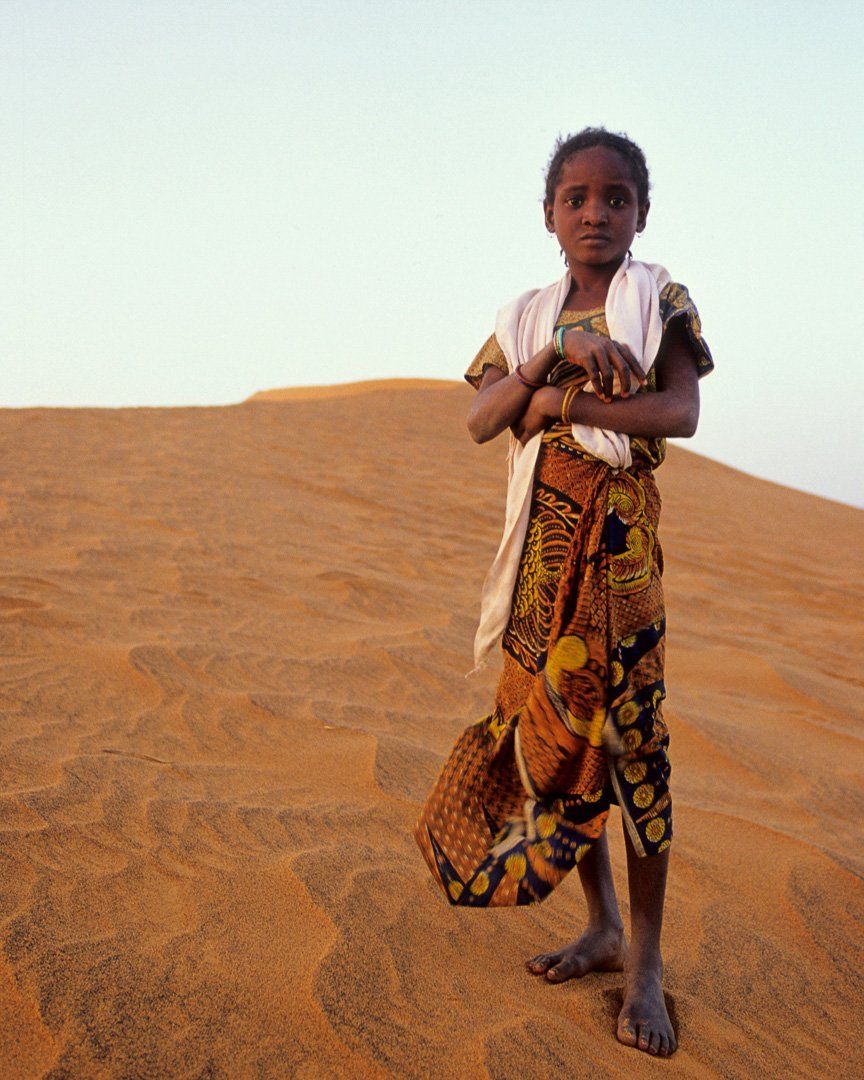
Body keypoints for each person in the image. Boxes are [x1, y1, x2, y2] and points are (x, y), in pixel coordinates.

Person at [414, 127, 714, 1059]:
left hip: (621, 565)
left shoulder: (659, 297)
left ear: (641, 215)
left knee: (634, 751)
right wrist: (553, 361)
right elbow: (482, 417)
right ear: (548, 215)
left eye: (615, 198)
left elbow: (680, 412)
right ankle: (602, 926)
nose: (596, 213)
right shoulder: (524, 317)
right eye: (577, 198)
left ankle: (649, 964)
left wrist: (570, 405)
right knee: (563, 741)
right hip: (542, 564)